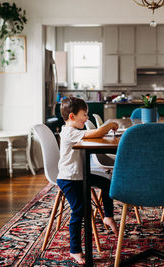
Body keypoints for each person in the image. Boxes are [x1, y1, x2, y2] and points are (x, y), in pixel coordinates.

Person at [57, 96, 119, 265]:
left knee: (107, 182)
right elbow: (97, 132)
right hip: (69, 179)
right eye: (84, 115)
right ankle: (75, 250)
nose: (87, 118)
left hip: (80, 175)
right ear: (72, 117)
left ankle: (108, 216)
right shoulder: (70, 132)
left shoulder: (74, 130)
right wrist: (110, 124)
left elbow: (94, 135)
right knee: (80, 211)